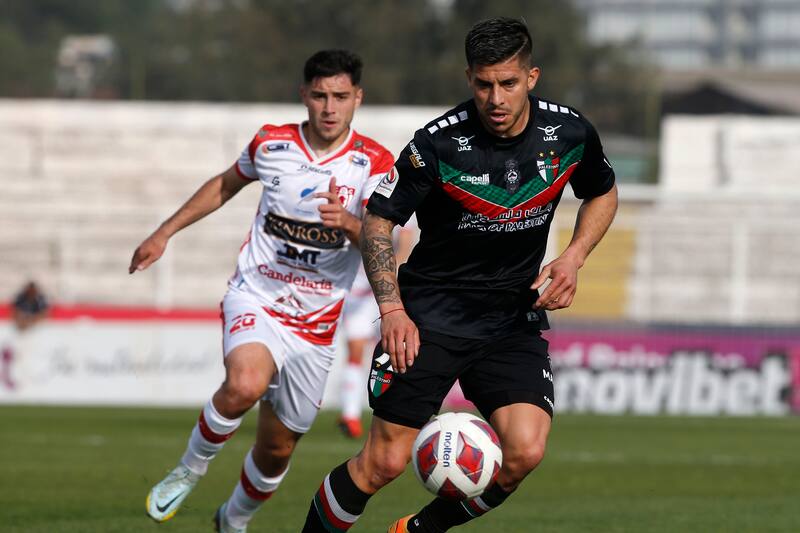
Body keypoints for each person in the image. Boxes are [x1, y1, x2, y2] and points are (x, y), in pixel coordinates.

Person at [301, 17, 618, 533]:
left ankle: (418, 530)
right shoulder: (437, 145)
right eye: (483, 84)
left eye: (508, 83)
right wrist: (393, 309)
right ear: (469, 78)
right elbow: (380, 220)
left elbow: (602, 190)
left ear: (531, 77)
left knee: (524, 452)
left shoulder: (570, 134)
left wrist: (574, 256)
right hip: (429, 318)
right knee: (382, 463)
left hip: (511, 318)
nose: (495, 98)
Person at [129, 49, 393, 532]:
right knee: (244, 384)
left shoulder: (374, 163)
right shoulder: (272, 144)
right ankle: (189, 470)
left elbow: (382, 239)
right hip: (258, 295)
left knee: (275, 451)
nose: (329, 108)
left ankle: (232, 519)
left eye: (340, 96)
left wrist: (350, 223)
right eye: (319, 96)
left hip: (314, 327)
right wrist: (164, 231)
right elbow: (225, 185)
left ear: (358, 98)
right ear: (303, 96)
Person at [338, 222, 417, 439]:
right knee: (355, 352)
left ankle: (388, 411)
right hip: (358, 290)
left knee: (389, 352)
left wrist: (391, 280)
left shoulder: (403, 205)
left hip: (387, 292)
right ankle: (350, 415)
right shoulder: (362, 201)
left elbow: (405, 246)